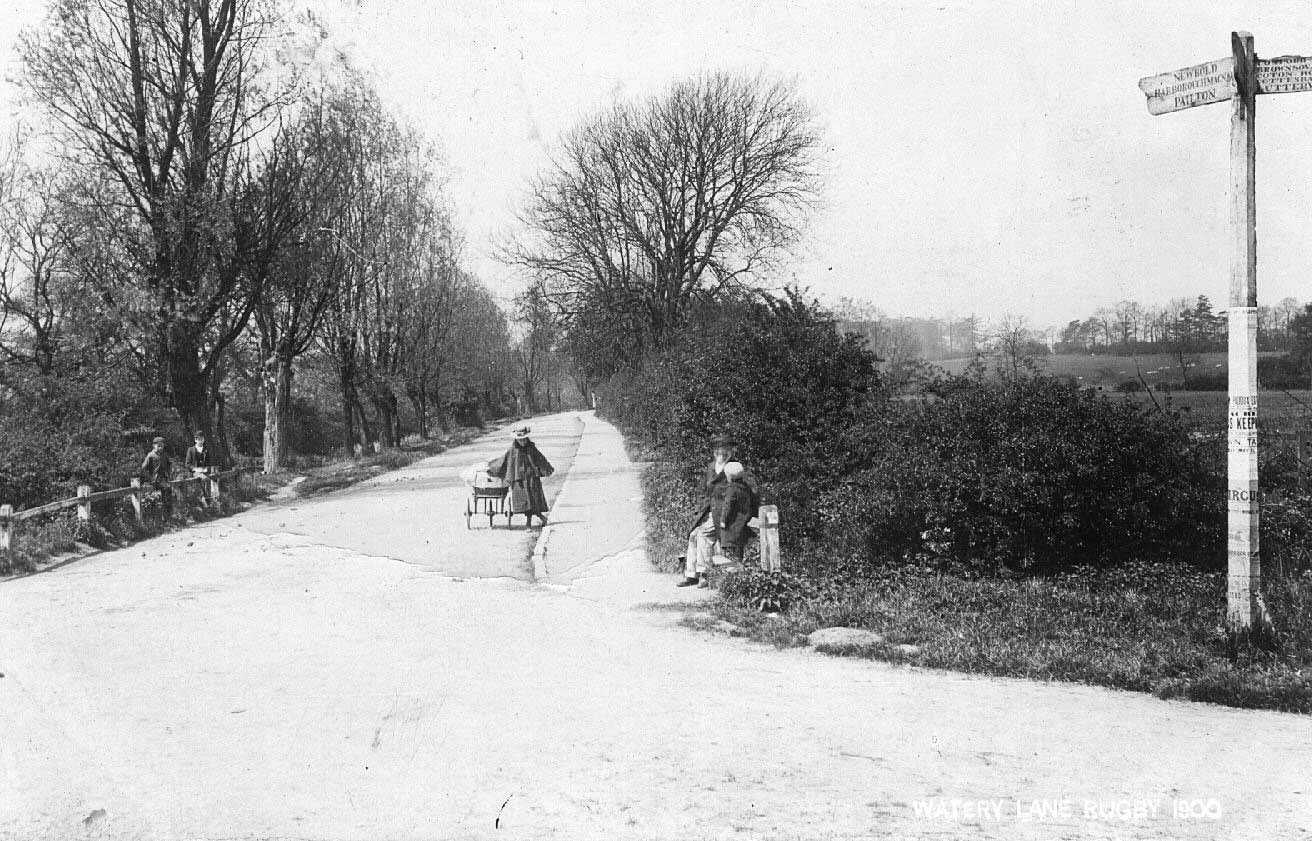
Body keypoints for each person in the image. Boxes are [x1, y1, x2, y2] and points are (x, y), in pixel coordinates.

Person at [677, 434, 758, 587]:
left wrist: (747, 512)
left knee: (703, 535)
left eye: (726, 448)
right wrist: (700, 506)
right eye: (718, 448)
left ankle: (704, 574)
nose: (722, 452)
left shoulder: (736, 468)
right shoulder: (711, 467)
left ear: (731, 450)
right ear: (714, 450)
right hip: (708, 510)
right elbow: (702, 490)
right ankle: (691, 574)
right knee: (693, 535)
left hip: (725, 514)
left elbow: (749, 491)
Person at [486, 425, 555, 528]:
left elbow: (540, 459)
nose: (522, 442)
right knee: (524, 502)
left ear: (527, 438)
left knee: (533, 501)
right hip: (519, 480)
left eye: (524, 439)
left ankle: (529, 524)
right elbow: (504, 461)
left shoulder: (532, 448)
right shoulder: (512, 450)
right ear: (516, 439)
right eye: (519, 440)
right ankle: (540, 518)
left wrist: (547, 468)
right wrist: (493, 468)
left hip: (531, 479)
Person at [714, 461, 754, 578]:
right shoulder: (746, 487)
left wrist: (723, 520)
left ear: (728, 476)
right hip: (743, 521)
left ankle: (731, 576)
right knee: (739, 548)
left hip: (732, 524)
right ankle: (740, 572)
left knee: (729, 548)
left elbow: (728, 505)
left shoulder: (731, 489)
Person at [140, 436, 176, 516]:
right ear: (154, 446)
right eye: (158, 446)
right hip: (155, 479)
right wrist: (150, 478)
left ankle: (168, 516)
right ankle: (165, 516)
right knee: (167, 489)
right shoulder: (151, 455)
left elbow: (170, 464)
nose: (160, 448)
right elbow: (143, 468)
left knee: (168, 493)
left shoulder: (164, 455)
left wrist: (170, 472)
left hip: (164, 479)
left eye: (162, 446)